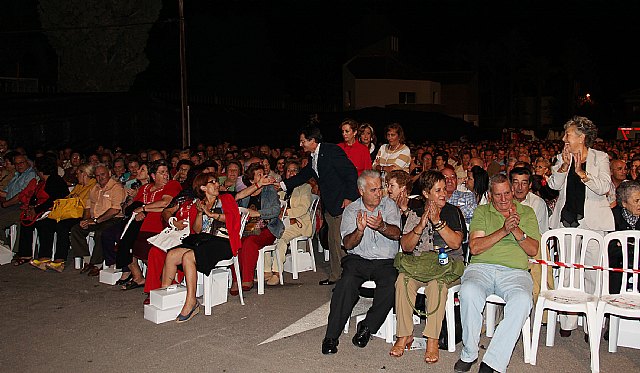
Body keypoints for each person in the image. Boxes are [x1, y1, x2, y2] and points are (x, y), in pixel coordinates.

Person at [454, 174, 540, 373]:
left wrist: (515, 229)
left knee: (522, 301)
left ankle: (493, 361)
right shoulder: (482, 212)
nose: (504, 199)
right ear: (490, 195)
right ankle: (469, 353)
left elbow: (533, 249)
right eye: (498, 195)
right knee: (468, 292)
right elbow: (475, 247)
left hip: (515, 272)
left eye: (507, 193)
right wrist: (503, 230)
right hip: (481, 268)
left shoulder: (526, 213)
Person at [321, 170, 401, 355]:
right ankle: (331, 336)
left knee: (391, 283)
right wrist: (359, 230)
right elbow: (347, 245)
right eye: (373, 190)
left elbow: (397, 234)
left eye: (380, 189)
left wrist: (381, 226)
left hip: (385, 261)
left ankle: (367, 327)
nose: (379, 194)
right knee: (345, 284)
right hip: (358, 259)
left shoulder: (389, 206)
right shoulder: (351, 210)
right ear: (361, 191)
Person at [548, 116, 614, 338]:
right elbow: (552, 184)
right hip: (567, 221)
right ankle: (568, 322)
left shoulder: (600, 158)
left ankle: (592, 325)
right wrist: (565, 165)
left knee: (591, 274)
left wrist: (582, 173)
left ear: (581, 137)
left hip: (593, 224)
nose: (564, 138)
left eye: (568, 134)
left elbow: (605, 186)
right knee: (567, 271)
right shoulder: (562, 157)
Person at [391, 170, 464, 364]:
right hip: (420, 264)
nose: (443, 193)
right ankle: (404, 335)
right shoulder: (415, 211)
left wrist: (437, 222)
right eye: (437, 190)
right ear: (425, 193)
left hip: (446, 266)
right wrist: (421, 225)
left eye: (443, 189)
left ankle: (432, 340)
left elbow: (456, 243)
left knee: (435, 286)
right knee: (402, 280)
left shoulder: (452, 211)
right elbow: (406, 246)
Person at [282, 125, 359, 286]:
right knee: (333, 241)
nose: (301, 144)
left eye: (303, 141)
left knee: (339, 241)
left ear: (312, 140)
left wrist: (349, 197)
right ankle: (337, 275)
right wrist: (282, 185)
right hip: (330, 204)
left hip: (341, 202)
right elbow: (304, 175)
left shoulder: (332, 151)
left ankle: (346, 277)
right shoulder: (313, 156)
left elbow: (351, 172)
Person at [161, 173, 242, 323]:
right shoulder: (201, 203)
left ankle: (191, 302)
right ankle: (166, 297)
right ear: (203, 187)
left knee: (188, 256)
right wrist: (200, 213)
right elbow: (197, 230)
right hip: (204, 240)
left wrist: (211, 214)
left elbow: (234, 218)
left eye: (217, 182)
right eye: (213, 182)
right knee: (172, 254)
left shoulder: (226, 199)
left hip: (223, 242)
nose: (217, 184)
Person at [121, 159, 182, 289]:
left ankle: (160, 281)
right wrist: (138, 209)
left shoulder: (172, 185)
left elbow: (165, 204)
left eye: (166, 172)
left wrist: (144, 209)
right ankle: (138, 276)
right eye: (162, 172)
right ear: (153, 176)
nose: (166, 175)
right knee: (121, 241)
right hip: (139, 226)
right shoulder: (145, 188)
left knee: (148, 250)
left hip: (158, 227)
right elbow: (134, 207)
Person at [231, 163, 283, 294]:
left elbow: (276, 210)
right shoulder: (247, 192)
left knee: (250, 242)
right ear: (251, 180)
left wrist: (258, 213)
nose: (263, 176)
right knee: (235, 242)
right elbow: (236, 200)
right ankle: (236, 279)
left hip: (268, 227)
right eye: (259, 175)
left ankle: (247, 279)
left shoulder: (269, 190)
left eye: (263, 173)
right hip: (247, 228)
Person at [11, 155, 69, 266]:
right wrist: (31, 208)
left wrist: (36, 210)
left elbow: (53, 200)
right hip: (42, 210)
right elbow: (34, 198)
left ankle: (44, 256)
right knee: (26, 221)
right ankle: (25, 254)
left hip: (55, 211)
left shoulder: (55, 181)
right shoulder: (42, 182)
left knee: (45, 224)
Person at [70, 164, 126, 276]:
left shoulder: (116, 188)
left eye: (103, 174)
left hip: (112, 219)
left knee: (100, 233)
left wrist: (96, 220)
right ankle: (87, 260)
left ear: (109, 173)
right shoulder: (94, 188)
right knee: (76, 229)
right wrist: (86, 220)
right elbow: (88, 207)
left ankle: (97, 264)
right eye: (97, 175)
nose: (100, 177)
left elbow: (115, 210)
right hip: (96, 219)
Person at [264, 159, 313, 286]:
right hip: (282, 221)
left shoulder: (305, 187)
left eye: (294, 171)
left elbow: (303, 208)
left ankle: (277, 272)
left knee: (281, 237)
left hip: (298, 223)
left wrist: (285, 212)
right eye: (289, 171)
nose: (291, 173)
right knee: (266, 234)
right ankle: (266, 270)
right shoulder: (280, 189)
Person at [608, 180, 640, 294]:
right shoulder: (612, 217)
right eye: (636, 201)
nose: (639, 204)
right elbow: (611, 249)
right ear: (624, 203)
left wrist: (624, 244)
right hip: (618, 265)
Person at [0, 154, 37, 245]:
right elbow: (5, 193)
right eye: (16, 163)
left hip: (21, 206)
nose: (19, 165)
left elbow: (21, 196)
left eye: (21, 163)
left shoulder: (31, 175)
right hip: (11, 204)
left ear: (27, 162)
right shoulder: (17, 175)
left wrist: (5, 204)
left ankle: (5, 247)